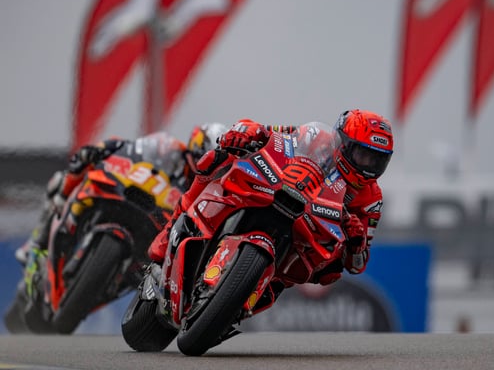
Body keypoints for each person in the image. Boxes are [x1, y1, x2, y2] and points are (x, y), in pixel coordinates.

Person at [148, 109, 394, 285]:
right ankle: (170, 232)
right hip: (279, 189)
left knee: (331, 273)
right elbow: (271, 133)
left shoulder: (371, 199)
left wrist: (357, 242)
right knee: (216, 159)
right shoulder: (316, 138)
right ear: (343, 143)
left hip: (309, 232)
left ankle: (261, 289)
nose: (369, 166)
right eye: (363, 155)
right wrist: (248, 132)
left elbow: (357, 265)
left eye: (377, 160)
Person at [15, 122, 228, 265]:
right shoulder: (169, 148)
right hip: (128, 192)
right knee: (61, 179)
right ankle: (37, 242)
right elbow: (133, 148)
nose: (204, 163)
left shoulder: (202, 189)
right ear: (196, 146)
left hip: (153, 225)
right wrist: (105, 148)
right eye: (203, 156)